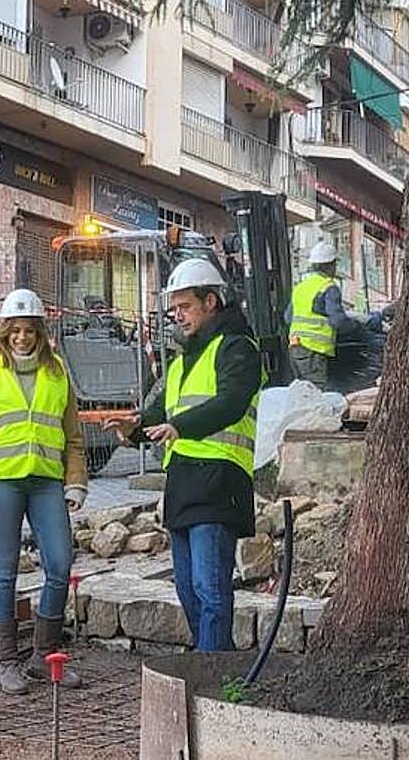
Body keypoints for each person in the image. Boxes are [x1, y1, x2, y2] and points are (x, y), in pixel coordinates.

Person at [104, 259, 262, 651]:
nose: (178, 316)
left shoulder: (238, 348)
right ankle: (207, 663)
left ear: (211, 301)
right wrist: (133, 431)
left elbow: (231, 402)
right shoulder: (182, 362)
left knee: (210, 590)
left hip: (220, 480)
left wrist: (180, 427)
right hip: (184, 483)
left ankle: (213, 673)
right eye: (174, 309)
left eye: (185, 307)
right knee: (190, 591)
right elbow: (159, 416)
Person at [0, 289, 87, 695]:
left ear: (40, 332)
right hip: (3, 483)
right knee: (5, 571)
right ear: (4, 331)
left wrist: (76, 481)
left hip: (46, 481)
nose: (22, 338)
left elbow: (73, 437)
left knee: (60, 565)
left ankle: (42, 658)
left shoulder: (57, 372)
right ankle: (7, 662)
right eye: (15, 330)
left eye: (30, 330)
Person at [285, 241, 360, 389]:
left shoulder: (300, 287)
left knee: (303, 393)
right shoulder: (329, 287)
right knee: (317, 396)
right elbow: (338, 321)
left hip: (295, 349)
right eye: (334, 264)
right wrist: (357, 327)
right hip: (313, 352)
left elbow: (288, 318)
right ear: (329, 265)